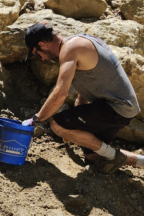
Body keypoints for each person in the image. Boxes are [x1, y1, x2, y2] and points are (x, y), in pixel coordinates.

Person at [23, 22, 144, 174]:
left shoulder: (70, 48)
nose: (41, 59)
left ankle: (113, 156)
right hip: (119, 107)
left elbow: (61, 93)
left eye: (36, 54)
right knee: (94, 156)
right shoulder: (77, 42)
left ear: (42, 44)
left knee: (57, 125)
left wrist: (36, 119)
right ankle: (140, 161)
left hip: (117, 107)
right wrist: (77, 121)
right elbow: (89, 81)